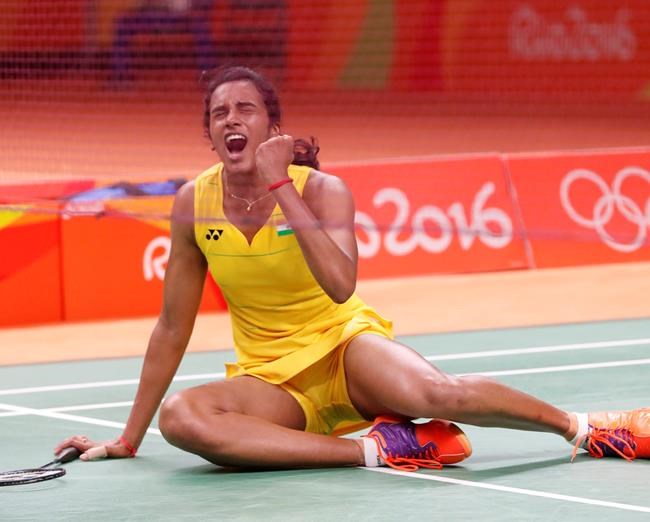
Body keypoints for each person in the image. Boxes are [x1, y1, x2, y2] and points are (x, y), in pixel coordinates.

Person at [55, 66, 649, 470]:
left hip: (345, 349)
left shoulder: (323, 191)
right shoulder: (192, 203)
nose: (231, 120)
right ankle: (380, 449)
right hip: (273, 382)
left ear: (271, 126)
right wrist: (129, 438)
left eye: (245, 110)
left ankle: (587, 428)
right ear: (209, 134)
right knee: (183, 419)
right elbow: (171, 328)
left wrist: (280, 184)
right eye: (218, 114)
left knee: (439, 391)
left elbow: (341, 286)